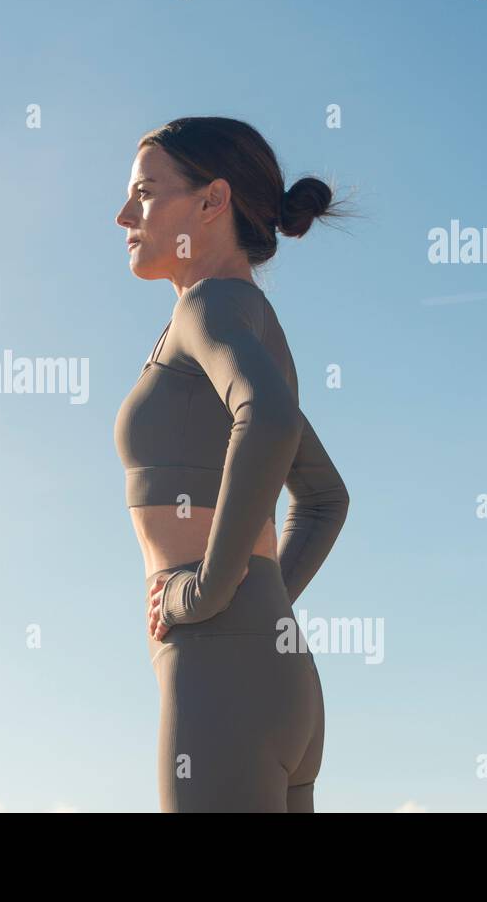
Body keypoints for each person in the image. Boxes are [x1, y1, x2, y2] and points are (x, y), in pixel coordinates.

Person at [113, 116, 352, 811]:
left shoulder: (211, 307)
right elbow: (325, 498)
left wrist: (209, 593)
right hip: (275, 676)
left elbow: (270, 423)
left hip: (222, 675)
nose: (125, 213)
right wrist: (258, 602)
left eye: (146, 193)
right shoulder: (244, 317)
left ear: (212, 201)